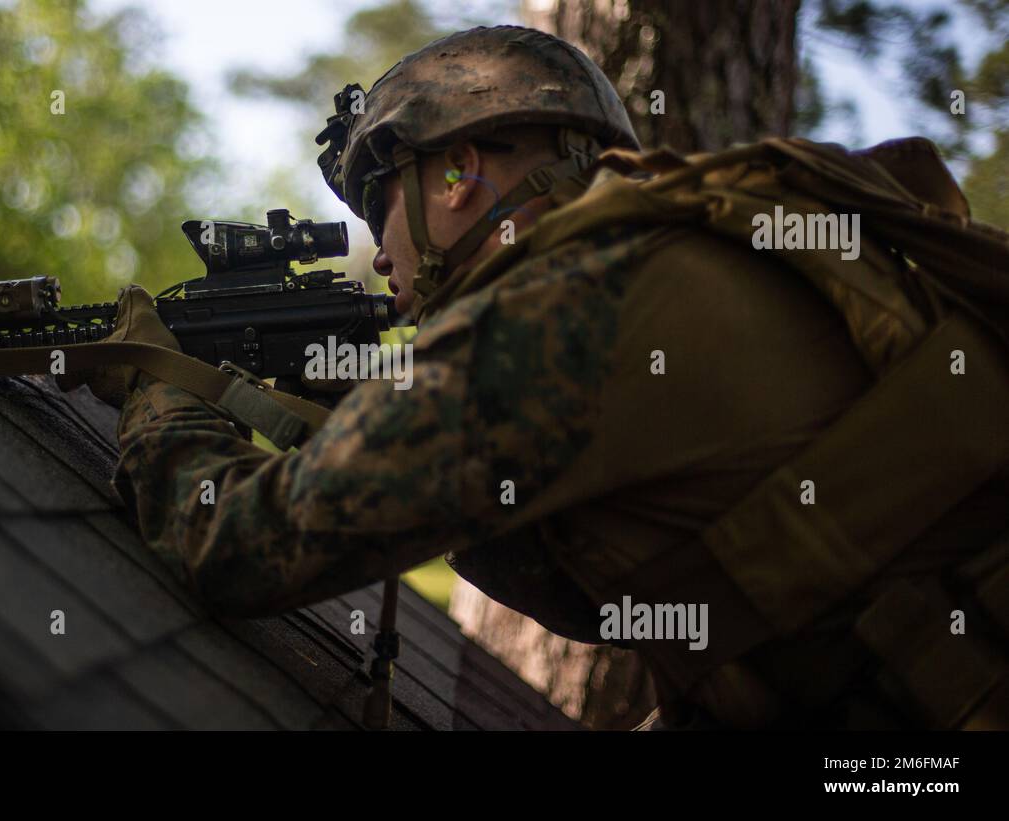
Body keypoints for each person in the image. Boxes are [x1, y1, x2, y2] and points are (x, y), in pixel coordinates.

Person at [64, 25, 1009, 729]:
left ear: (458, 175)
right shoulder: (689, 242)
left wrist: (157, 396)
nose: (380, 255)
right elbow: (589, 586)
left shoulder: (564, 300)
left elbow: (240, 545)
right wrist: (352, 422)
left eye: (381, 201)